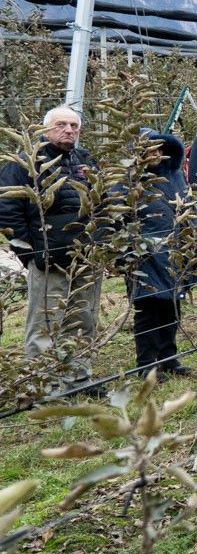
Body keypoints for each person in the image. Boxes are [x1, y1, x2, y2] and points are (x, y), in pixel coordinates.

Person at [1, 106, 100, 380]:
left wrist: (100, 242)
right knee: (45, 323)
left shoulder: (86, 160)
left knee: (83, 318)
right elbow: (8, 210)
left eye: (74, 126)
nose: (69, 130)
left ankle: (77, 377)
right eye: (61, 125)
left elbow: (102, 204)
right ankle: (42, 383)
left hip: (85, 258)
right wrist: (31, 254)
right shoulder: (26, 163)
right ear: (45, 129)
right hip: (49, 260)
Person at [117, 129, 190, 378]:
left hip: (173, 254)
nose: (155, 155)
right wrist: (125, 254)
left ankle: (169, 358)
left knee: (172, 306)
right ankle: (146, 363)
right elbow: (116, 219)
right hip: (143, 257)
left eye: (159, 150)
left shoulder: (174, 176)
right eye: (149, 151)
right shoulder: (127, 182)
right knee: (147, 310)